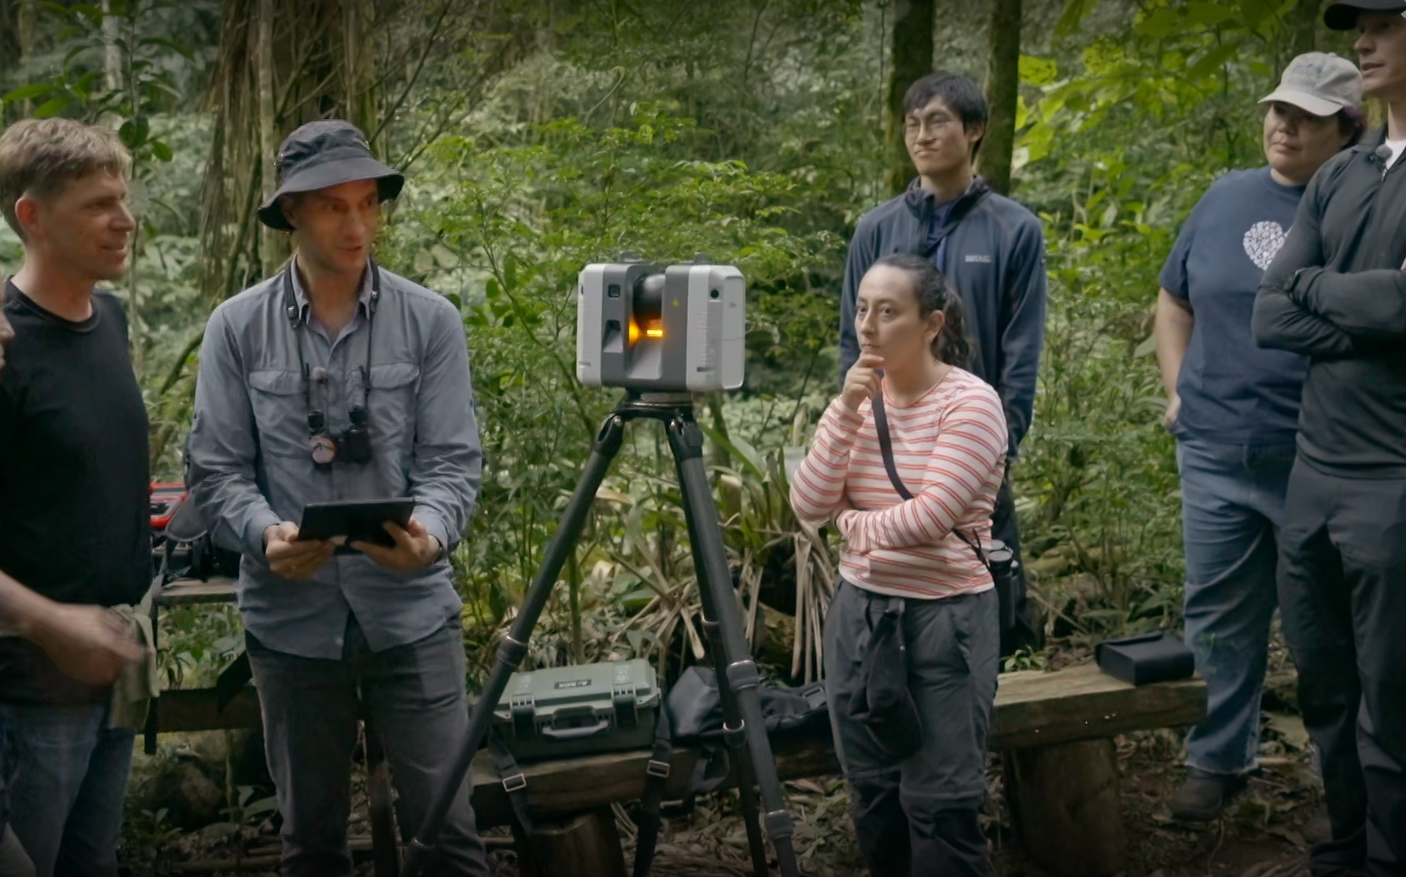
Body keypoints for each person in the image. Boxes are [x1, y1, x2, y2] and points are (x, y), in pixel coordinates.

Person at [186, 120, 490, 877]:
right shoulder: (237, 328)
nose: (357, 225)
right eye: (332, 207)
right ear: (291, 212)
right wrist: (264, 536)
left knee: (448, 836)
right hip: (291, 625)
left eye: (367, 204)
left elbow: (454, 461)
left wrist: (431, 532)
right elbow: (216, 470)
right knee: (312, 845)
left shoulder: (429, 321)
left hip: (413, 614)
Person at [1154, 52, 1365, 823]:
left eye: (1307, 115)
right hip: (1214, 446)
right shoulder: (1224, 197)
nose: (1285, 125)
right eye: (1279, 109)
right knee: (1217, 609)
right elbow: (1174, 299)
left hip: (1322, 454)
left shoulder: (1366, 205)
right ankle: (1218, 757)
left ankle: (1347, 777)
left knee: (1331, 626)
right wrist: (1177, 391)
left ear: (1347, 126)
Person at [1253, 3, 1406, 873]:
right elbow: (1270, 314)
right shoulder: (1341, 174)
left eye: (1389, 21)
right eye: (1360, 24)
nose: (1365, 39)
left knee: (1394, 701)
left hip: (1393, 481)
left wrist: (1321, 287)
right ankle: (1349, 847)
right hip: (1313, 479)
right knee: (1326, 691)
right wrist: (1372, 304)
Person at [793, 254, 1005, 876]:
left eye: (888, 312)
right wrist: (845, 413)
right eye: (862, 309)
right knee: (874, 794)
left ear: (931, 323)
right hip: (860, 619)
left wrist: (851, 525)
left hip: (946, 622)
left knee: (941, 809)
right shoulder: (858, 401)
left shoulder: (970, 404)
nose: (868, 325)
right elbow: (807, 503)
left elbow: (931, 517)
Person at [837, 71, 1047, 658]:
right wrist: (854, 429)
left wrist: (1001, 446)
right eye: (912, 123)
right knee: (885, 601)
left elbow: (1022, 349)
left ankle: (989, 729)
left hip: (972, 447)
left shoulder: (1014, 229)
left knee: (987, 600)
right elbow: (851, 344)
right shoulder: (877, 228)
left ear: (974, 130)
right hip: (885, 445)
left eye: (937, 122)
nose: (922, 135)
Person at [0, 118, 154, 877]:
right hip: (29, 692)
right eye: (99, 204)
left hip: (117, 667)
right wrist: (53, 622)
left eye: (122, 199)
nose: (124, 220)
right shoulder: (4, 347)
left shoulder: (111, 320)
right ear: (31, 215)